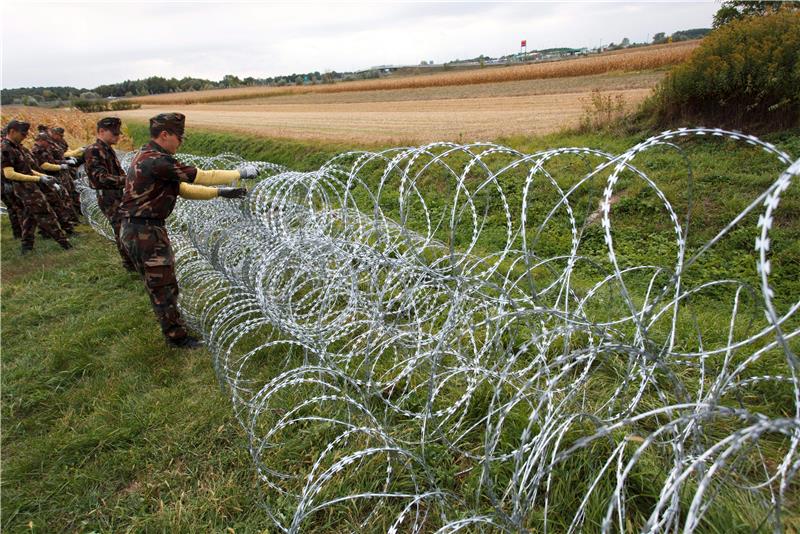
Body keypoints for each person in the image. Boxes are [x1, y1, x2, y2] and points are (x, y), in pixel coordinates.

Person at [118, 112, 258, 349]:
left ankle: (174, 327)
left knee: (162, 283)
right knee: (162, 285)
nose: (180, 142)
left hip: (140, 228)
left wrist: (219, 193)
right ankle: (178, 339)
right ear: (165, 135)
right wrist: (240, 173)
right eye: (179, 137)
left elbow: (182, 189)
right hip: (144, 231)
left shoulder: (147, 155)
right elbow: (201, 176)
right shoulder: (157, 160)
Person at [1, 120, 72, 253]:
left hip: (30, 186)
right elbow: (9, 173)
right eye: (23, 133)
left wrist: (42, 176)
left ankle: (26, 247)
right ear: (12, 132)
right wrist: (39, 178)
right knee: (46, 214)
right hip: (25, 189)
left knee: (30, 217)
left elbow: (25, 169)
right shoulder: (6, 149)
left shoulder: (16, 147)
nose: (26, 136)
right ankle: (65, 244)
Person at [83, 117, 136, 271]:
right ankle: (130, 265)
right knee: (122, 229)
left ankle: (132, 262)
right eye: (114, 133)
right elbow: (100, 178)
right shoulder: (94, 150)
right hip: (108, 196)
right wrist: (128, 180)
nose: (117, 137)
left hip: (116, 194)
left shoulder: (106, 148)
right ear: (101, 131)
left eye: (118, 133)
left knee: (126, 227)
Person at [31, 125, 80, 232]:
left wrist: (64, 162)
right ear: (41, 140)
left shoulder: (45, 148)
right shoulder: (37, 150)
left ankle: (69, 221)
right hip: (48, 177)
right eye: (47, 142)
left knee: (64, 197)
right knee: (59, 201)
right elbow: (43, 165)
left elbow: (53, 160)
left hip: (55, 175)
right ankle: (60, 226)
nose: (49, 144)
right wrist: (61, 166)